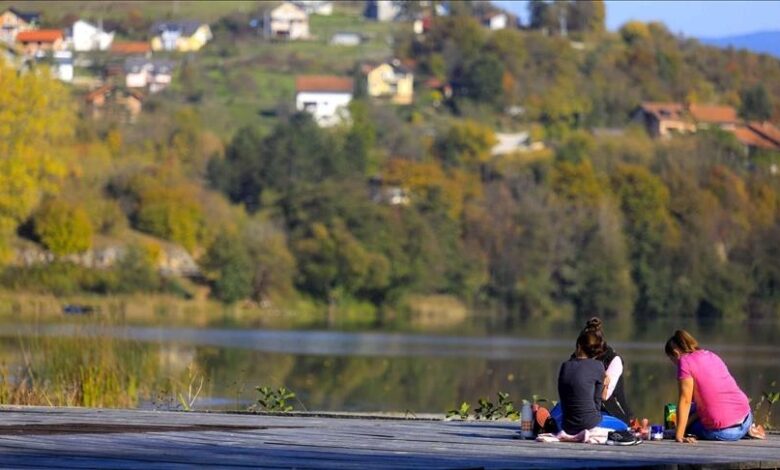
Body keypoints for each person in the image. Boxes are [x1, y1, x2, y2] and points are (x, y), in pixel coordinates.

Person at [665, 329, 764, 443]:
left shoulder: (684, 361)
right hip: (746, 419)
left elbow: (685, 400)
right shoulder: (711, 355)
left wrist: (679, 435)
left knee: (689, 423)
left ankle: (680, 430)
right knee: (693, 410)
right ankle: (750, 429)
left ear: (676, 353)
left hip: (724, 432)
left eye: (671, 359)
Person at [583, 317, 633, 424]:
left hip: (612, 414)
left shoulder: (614, 360)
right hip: (587, 411)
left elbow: (604, 397)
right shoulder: (580, 356)